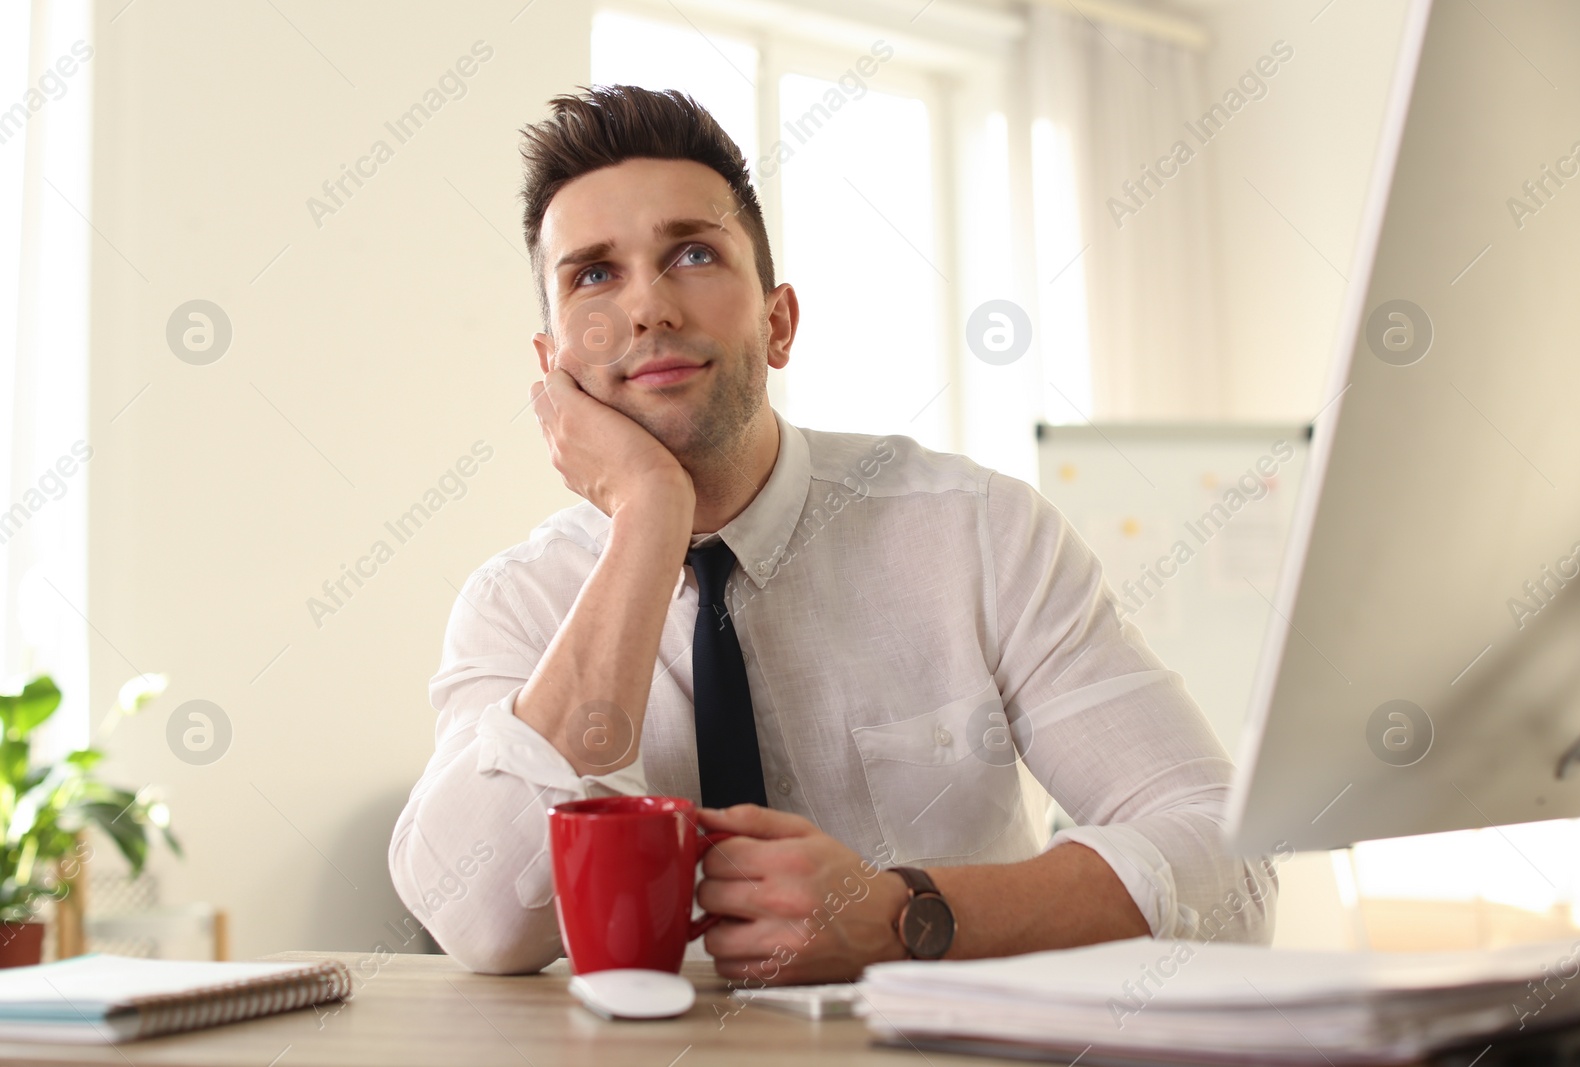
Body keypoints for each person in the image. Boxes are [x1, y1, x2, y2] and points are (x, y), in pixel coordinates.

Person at [389, 85, 1277, 982]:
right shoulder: (517, 604)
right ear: (554, 368)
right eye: (592, 274)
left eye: (692, 252)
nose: (648, 307)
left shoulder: (981, 535)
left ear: (778, 324)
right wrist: (651, 518)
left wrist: (904, 914)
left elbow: (1229, 867)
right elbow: (482, 921)